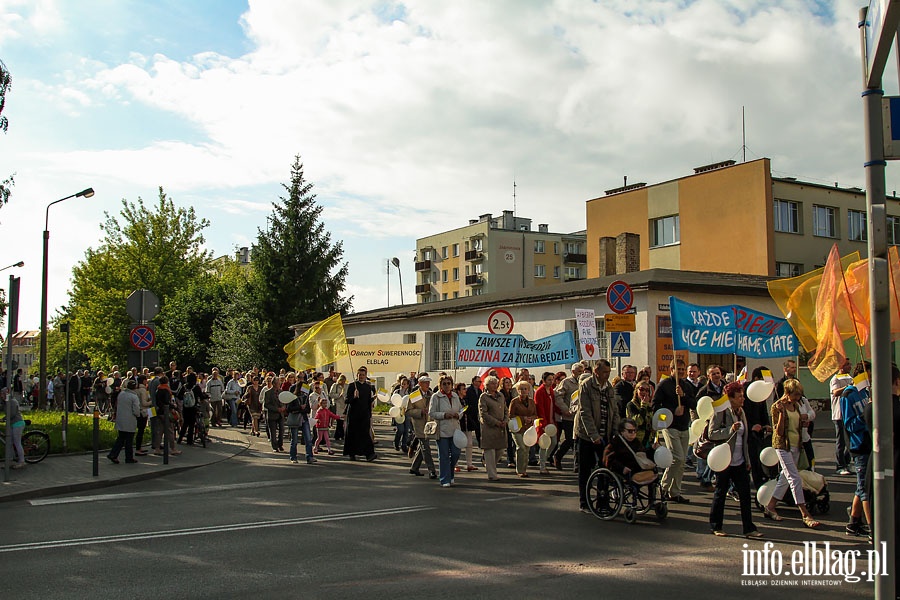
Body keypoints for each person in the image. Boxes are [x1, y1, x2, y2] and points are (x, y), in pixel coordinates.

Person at [707, 382, 762, 538]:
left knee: (745, 494)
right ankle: (716, 525)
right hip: (724, 460)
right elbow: (712, 434)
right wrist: (729, 430)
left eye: (743, 396)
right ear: (730, 398)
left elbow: (744, 439)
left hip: (739, 460)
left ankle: (749, 528)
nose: (742, 399)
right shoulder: (721, 412)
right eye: (739, 397)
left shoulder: (741, 412)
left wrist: (747, 460)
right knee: (721, 492)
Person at [763, 379, 820, 528]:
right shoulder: (777, 407)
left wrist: (803, 422)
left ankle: (770, 506)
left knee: (785, 477)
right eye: (795, 395)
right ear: (787, 393)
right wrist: (782, 414)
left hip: (796, 444)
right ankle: (804, 513)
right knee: (794, 478)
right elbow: (779, 431)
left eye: (799, 395)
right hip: (783, 446)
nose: (797, 398)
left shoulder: (796, 405)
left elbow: (796, 423)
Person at [575, 359, 619, 512]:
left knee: (605, 469)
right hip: (587, 435)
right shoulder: (586, 385)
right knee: (585, 469)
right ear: (596, 372)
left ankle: (603, 502)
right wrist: (593, 435)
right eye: (604, 372)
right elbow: (584, 412)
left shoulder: (610, 388)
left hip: (605, 433)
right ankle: (584, 502)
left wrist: (614, 432)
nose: (607, 375)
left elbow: (614, 412)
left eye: (608, 372)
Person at [652, 358, 696, 504]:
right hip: (670, 427)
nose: (681, 372)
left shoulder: (686, 385)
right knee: (678, 458)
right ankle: (663, 487)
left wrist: (683, 396)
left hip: (684, 426)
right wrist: (671, 412)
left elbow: (693, 404)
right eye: (679, 369)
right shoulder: (664, 385)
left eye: (683, 369)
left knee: (681, 462)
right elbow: (655, 407)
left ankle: (675, 491)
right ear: (672, 370)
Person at [843, 361, 873, 539]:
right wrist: (866, 414)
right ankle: (872, 527)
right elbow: (849, 423)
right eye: (869, 374)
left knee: (861, 486)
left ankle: (853, 522)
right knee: (865, 489)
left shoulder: (868, 391)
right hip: (858, 445)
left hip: (869, 443)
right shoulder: (849, 395)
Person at [430, 375, 464, 487]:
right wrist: (444, 415)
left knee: (456, 453)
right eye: (444, 383)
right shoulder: (436, 397)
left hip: (455, 429)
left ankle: (450, 474)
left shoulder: (455, 396)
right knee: (444, 455)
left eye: (448, 383)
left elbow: (461, 410)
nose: (447, 385)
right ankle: (445, 479)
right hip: (442, 430)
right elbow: (432, 413)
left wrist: (458, 415)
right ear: (440, 385)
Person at [344, 366, 377, 461]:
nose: (361, 376)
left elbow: (367, 402)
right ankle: (352, 453)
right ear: (357, 375)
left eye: (363, 375)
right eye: (360, 375)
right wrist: (354, 397)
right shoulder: (352, 386)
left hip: (364, 414)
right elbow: (347, 400)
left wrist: (373, 399)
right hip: (354, 414)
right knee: (353, 434)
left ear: (366, 376)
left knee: (365, 434)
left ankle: (369, 454)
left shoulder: (368, 387)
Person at [553, 363, 582, 470]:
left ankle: (577, 465)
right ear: (573, 371)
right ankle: (558, 455)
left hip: (580, 416)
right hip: (569, 416)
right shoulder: (566, 382)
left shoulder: (583, 382)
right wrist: (565, 410)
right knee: (570, 439)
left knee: (578, 441)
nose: (581, 373)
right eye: (579, 371)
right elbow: (558, 396)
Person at [478, 375, 507, 481]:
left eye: (496, 383)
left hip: (501, 427)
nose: (495, 385)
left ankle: (489, 466)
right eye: (492, 383)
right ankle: (492, 474)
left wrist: (505, 420)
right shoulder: (484, 397)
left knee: (500, 450)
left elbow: (505, 409)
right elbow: (483, 413)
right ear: (487, 385)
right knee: (490, 450)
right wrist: (496, 422)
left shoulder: (501, 396)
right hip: (489, 427)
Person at [407, 374, 437, 478]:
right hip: (419, 425)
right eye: (425, 382)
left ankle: (414, 468)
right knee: (425, 448)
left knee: (422, 447)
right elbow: (409, 411)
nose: (427, 384)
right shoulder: (414, 395)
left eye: (428, 382)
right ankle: (432, 470)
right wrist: (420, 411)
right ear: (419, 384)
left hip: (429, 424)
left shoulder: (432, 394)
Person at [107, 379, 142, 464]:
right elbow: (136, 411)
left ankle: (113, 454)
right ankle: (129, 458)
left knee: (121, 438)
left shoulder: (121, 394)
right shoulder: (134, 397)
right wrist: (139, 415)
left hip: (121, 419)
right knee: (129, 440)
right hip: (130, 420)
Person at [508, 379, 537, 478]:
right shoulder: (514, 401)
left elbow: (535, 414)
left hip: (528, 428)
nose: (523, 391)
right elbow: (510, 415)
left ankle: (524, 469)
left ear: (528, 390)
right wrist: (522, 418)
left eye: (525, 389)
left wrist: (531, 419)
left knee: (527, 448)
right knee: (521, 447)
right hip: (517, 428)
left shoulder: (532, 401)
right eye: (521, 389)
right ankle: (519, 470)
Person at [830, 359, 853, 476]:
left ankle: (847, 462)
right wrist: (848, 387)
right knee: (841, 441)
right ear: (840, 366)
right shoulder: (835, 379)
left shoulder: (849, 378)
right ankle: (840, 465)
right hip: (839, 414)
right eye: (847, 364)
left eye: (850, 364)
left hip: (848, 413)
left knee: (849, 440)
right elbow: (835, 392)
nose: (850, 366)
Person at [534, 371, 557, 474]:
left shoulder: (551, 390)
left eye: (552, 379)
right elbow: (540, 408)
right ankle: (542, 467)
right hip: (544, 422)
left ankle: (544, 459)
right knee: (544, 444)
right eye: (549, 380)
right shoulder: (540, 391)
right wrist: (543, 423)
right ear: (543, 380)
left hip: (552, 421)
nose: (551, 382)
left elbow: (554, 405)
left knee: (554, 442)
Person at [461, 375, 482, 472]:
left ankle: (469, 463)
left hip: (473, 419)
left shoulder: (480, 391)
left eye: (480, 382)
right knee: (460, 443)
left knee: (470, 443)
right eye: (477, 381)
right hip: (464, 420)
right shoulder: (468, 392)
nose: (479, 383)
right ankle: (455, 463)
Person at [625, 381, 654, 448]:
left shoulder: (648, 405)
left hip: (648, 440)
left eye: (647, 390)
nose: (644, 392)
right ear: (636, 391)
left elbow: (651, 421)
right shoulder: (631, 405)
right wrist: (643, 406)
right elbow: (637, 421)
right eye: (641, 389)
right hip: (635, 439)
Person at [4, 387, 26, 469]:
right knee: (9, 442)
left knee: (17, 442)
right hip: (12, 424)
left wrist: (4, 418)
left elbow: (12, 414)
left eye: (2, 394)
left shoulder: (13, 402)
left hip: (17, 423)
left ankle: (22, 461)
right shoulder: (6, 402)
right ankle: (10, 460)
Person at [262, 375, 284, 453]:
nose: (279, 384)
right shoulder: (268, 393)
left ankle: (280, 444)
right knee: (273, 432)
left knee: (282, 430)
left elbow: (284, 401)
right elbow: (266, 404)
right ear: (274, 384)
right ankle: (275, 446)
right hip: (272, 415)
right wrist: (276, 409)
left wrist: (283, 407)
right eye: (278, 383)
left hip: (280, 414)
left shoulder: (281, 392)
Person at [393, 377, 413, 454]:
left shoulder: (409, 393)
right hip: (398, 413)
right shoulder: (397, 392)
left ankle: (404, 445)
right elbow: (393, 401)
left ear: (407, 385)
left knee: (406, 430)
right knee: (400, 429)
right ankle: (396, 442)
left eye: (404, 384)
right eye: (402, 383)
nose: (402, 385)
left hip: (407, 413)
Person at [329, 374, 348, 441]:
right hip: (337, 404)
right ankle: (340, 435)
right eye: (341, 380)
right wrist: (339, 395)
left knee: (343, 421)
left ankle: (339, 435)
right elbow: (331, 394)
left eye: (344, 380)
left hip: (344, 405)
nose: (343, 382)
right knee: (339, 421)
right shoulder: (335, 385)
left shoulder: (346, 386)